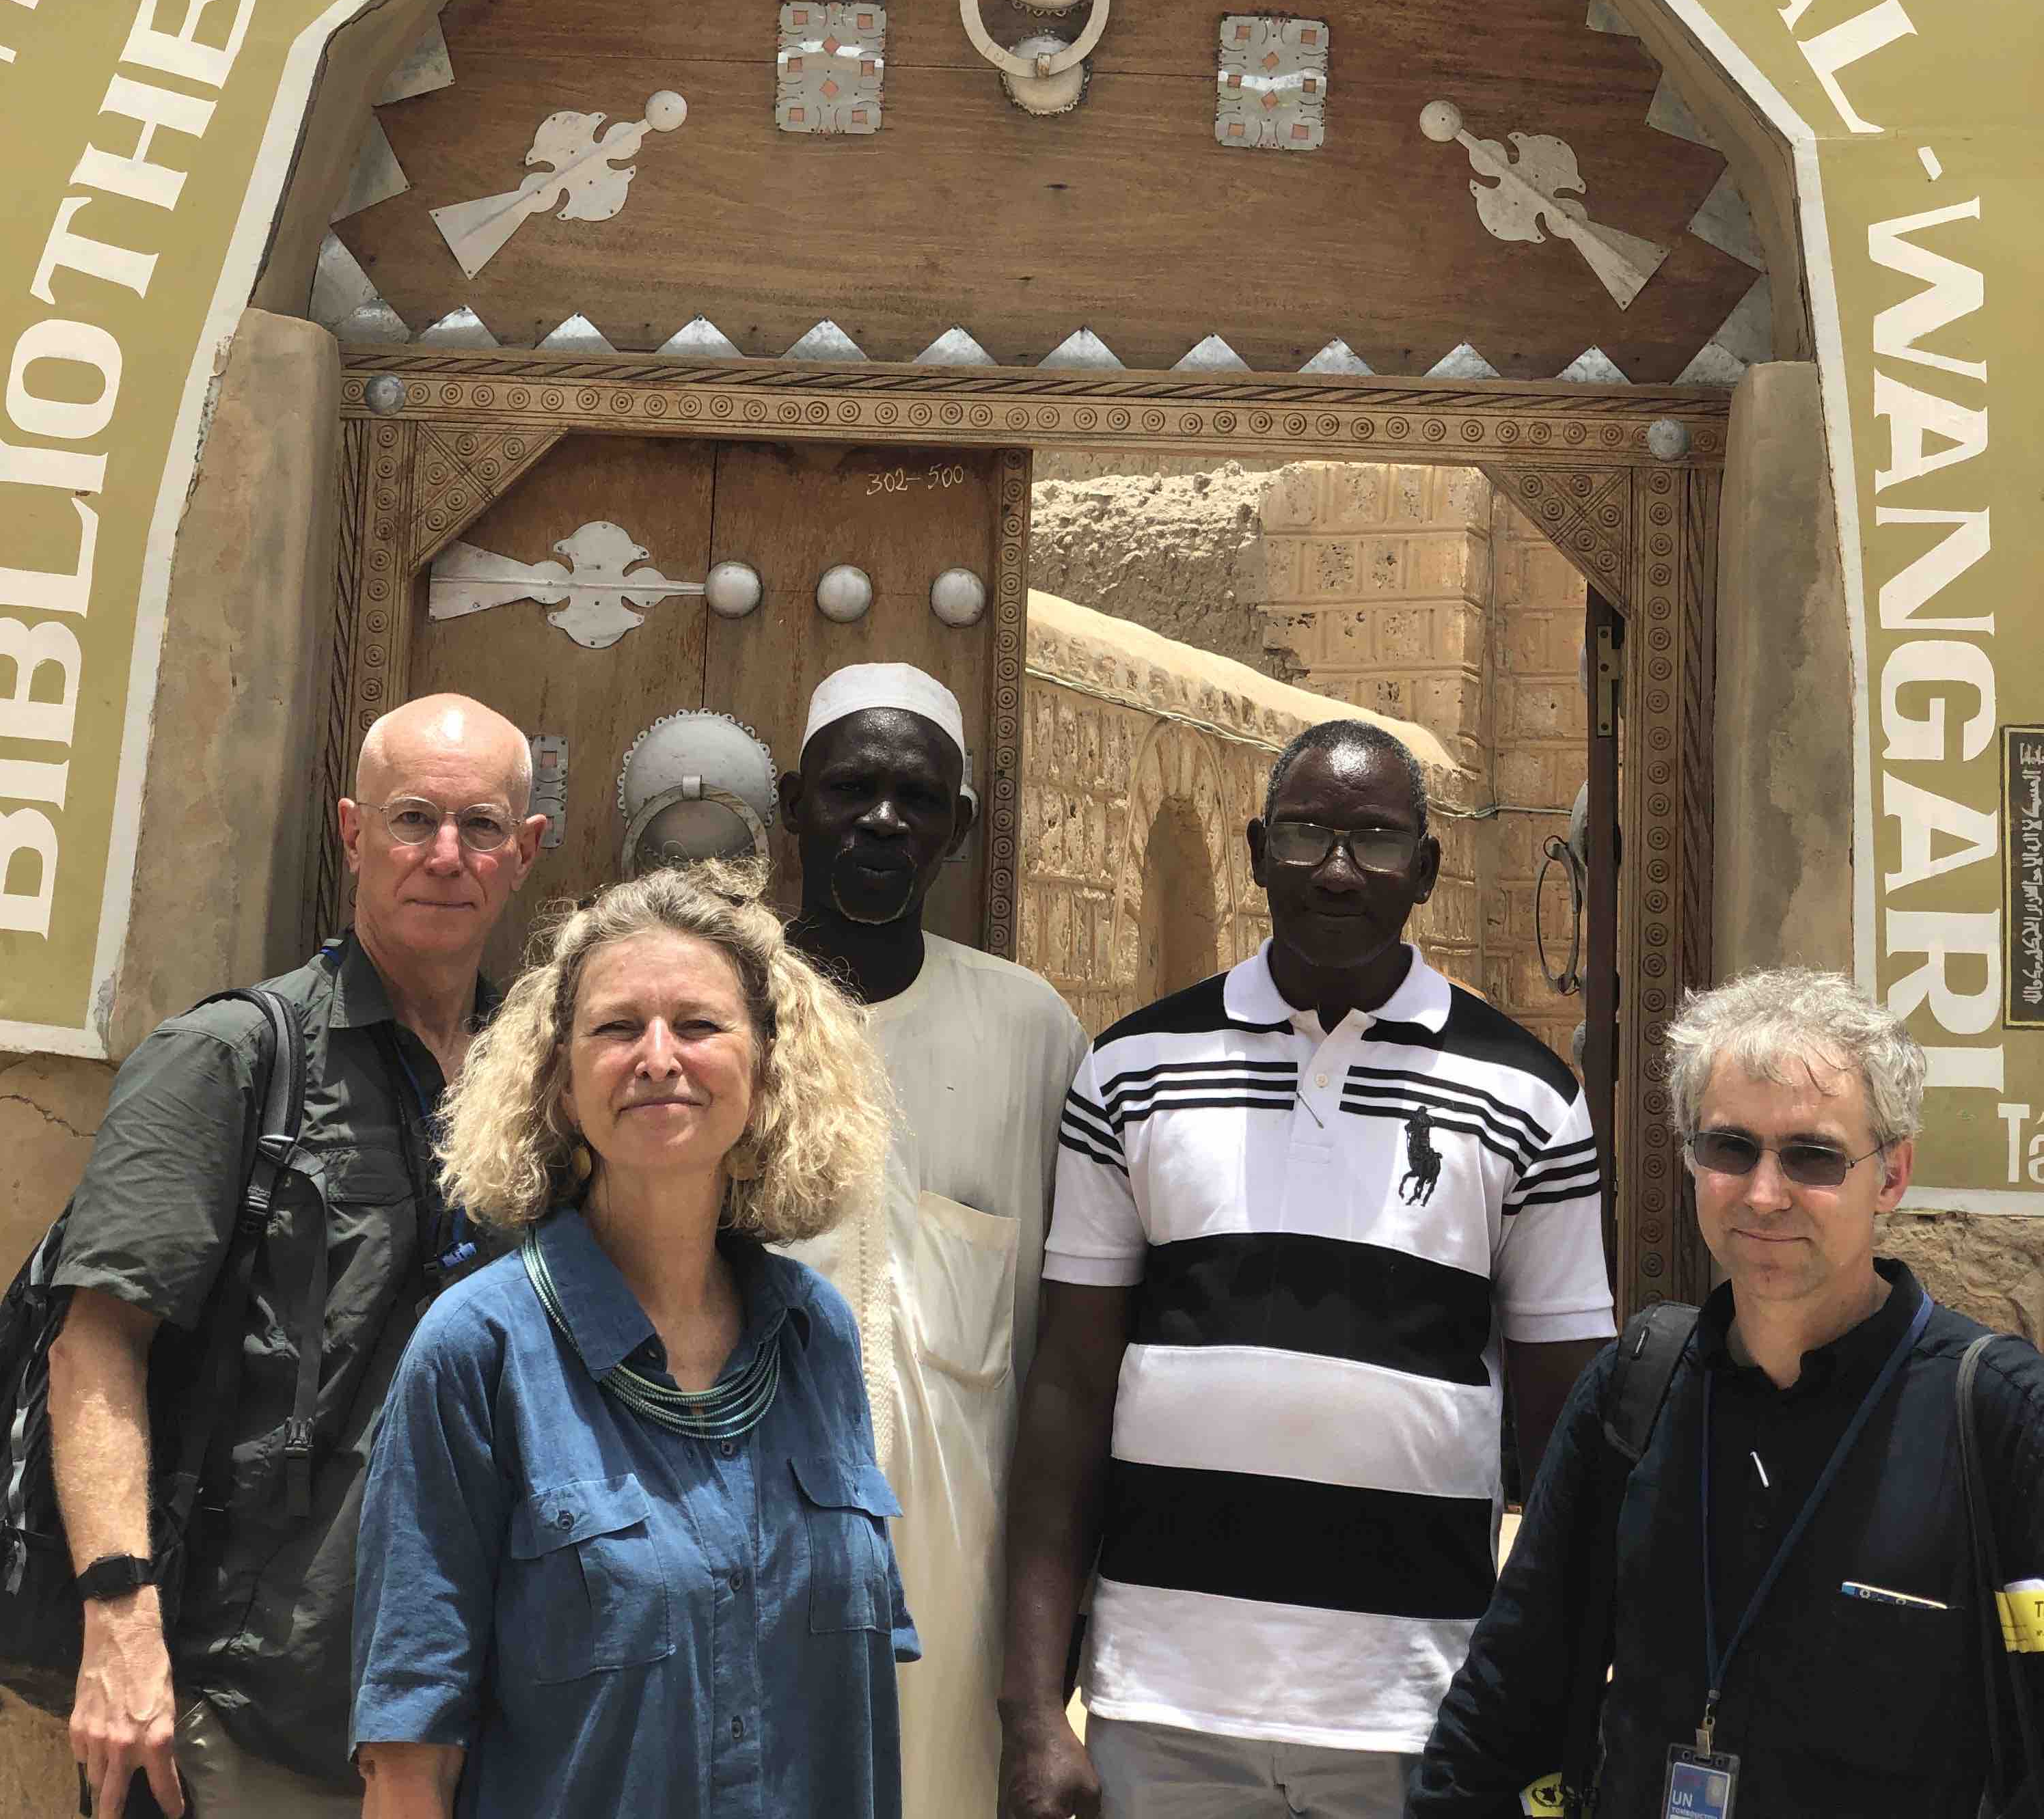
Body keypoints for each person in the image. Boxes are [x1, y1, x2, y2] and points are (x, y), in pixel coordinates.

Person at [1001, 715, 1615, 1819]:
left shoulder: (1527, 1098)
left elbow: (1571, 1426)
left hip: (1412, 1707)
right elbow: (1067, 1392)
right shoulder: (1130, 1071)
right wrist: (1033, 1711)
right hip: (1164, 1708)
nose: (1337, 870)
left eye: (1374, 839)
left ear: (1422, 869)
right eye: (1304, 835)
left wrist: (1550, 1702)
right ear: (1252, 850)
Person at [48, 692, 546, 1819]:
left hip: (487, 1712)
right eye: (413, 817)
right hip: (247, 1714)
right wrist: (119, 1624)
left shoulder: (552, 1084)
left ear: (525, 851)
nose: (445, 853)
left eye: (479, 827)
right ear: (354, 832)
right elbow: (94, 1350)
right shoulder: (228, 1059)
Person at [1408, 966, 2044, 1819]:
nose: (1764, 1193)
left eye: (1813, 1156)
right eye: (1730, 1148)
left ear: (1890, 1177)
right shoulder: (1634, 1393)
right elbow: (1512, 1686)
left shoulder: (1997, 1418)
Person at [351, 874, 912, 1819]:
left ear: (767, 1069)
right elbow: (410, 1749)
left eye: (699, 1025)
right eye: (616, 1029)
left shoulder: (816, 1337)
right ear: (561, 1085)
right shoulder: (477, 1352)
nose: (659, 1058)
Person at [777, 662, 1086, 1819]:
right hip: (741, 1562)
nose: (881, 820)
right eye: (850, 788)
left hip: (960, 1600)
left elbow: (1070, 1338)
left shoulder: (1027, 1026)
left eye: (915, 798)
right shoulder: (714, 1007)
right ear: (791, 801)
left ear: (956, 827)